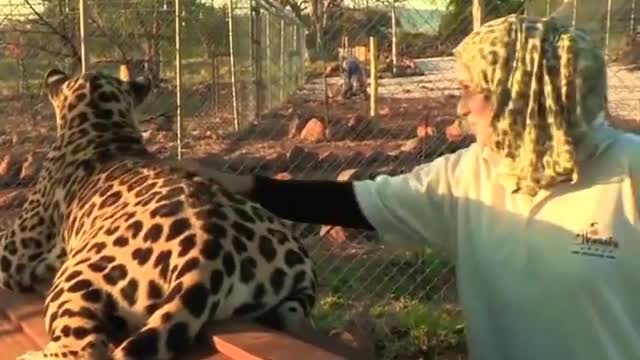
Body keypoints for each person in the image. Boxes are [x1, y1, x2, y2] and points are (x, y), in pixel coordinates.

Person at [180, 15, 640, 360]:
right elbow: (360, 203)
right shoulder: (470, 174)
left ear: (519, 96)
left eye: (467, 89)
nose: (458, 107)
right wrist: (248, 187)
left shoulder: (629, 170)